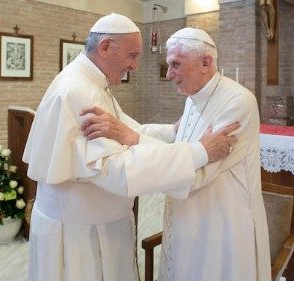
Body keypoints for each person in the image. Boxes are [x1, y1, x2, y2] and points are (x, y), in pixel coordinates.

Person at [22, 14, 239, 281]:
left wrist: (172, 132)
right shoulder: (80, 92)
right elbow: (118, 171)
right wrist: (200, 152)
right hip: (81, 234)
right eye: (132, 55)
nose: (135, 66)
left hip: (94, 223)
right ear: (104, 48)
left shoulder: (90, 83)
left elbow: (126, 131)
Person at [82, 27, 271, 280]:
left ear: (205, 63)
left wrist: (131, 138)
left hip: (221, 224)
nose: (169, 74)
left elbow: (196, 173)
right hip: (187, 218)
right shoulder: (194, 96)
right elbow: (180, 139)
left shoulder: (237, 102)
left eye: (175, 65)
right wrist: (129, 131)